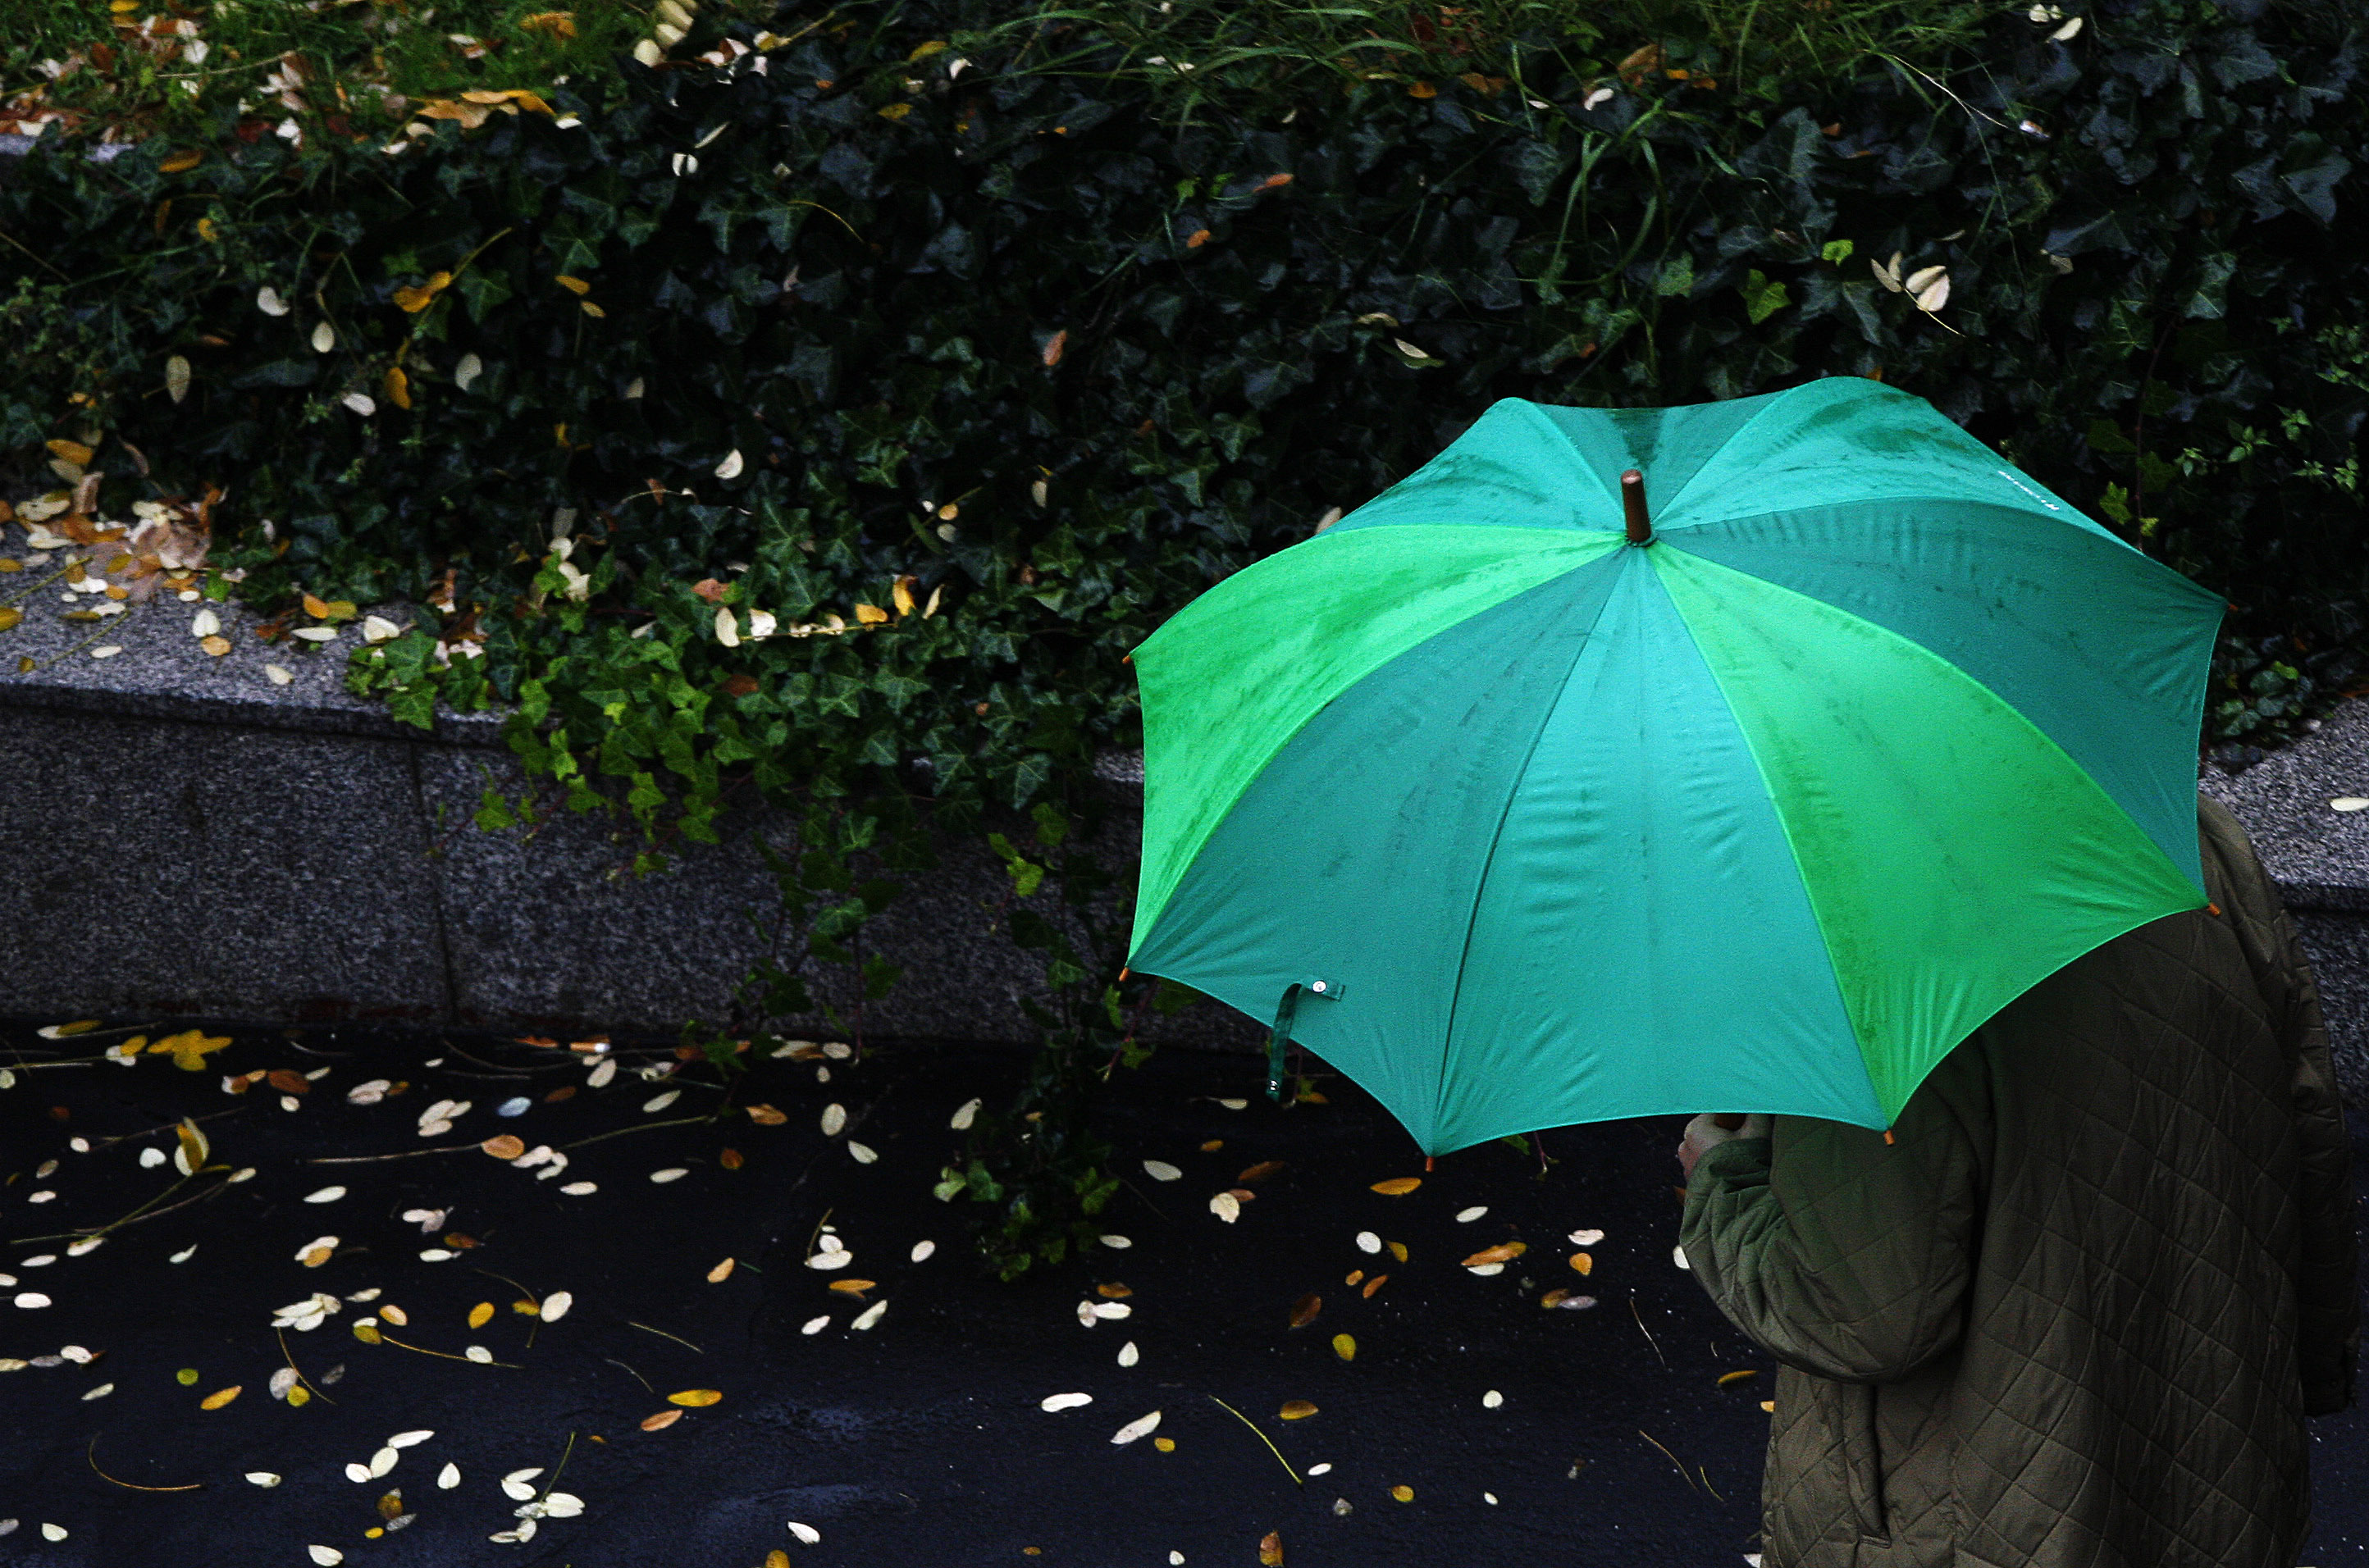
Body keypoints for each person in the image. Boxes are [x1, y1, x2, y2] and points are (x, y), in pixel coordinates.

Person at [1676, 794, 2358, 1567]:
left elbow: (1864, 1316)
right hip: (2218, 1460)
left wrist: (1723, 1186)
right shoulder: (2175, 826)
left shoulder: (1870, 947)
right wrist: (2307, 1370)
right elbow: (2309, 1122)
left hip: (1986, 1515)